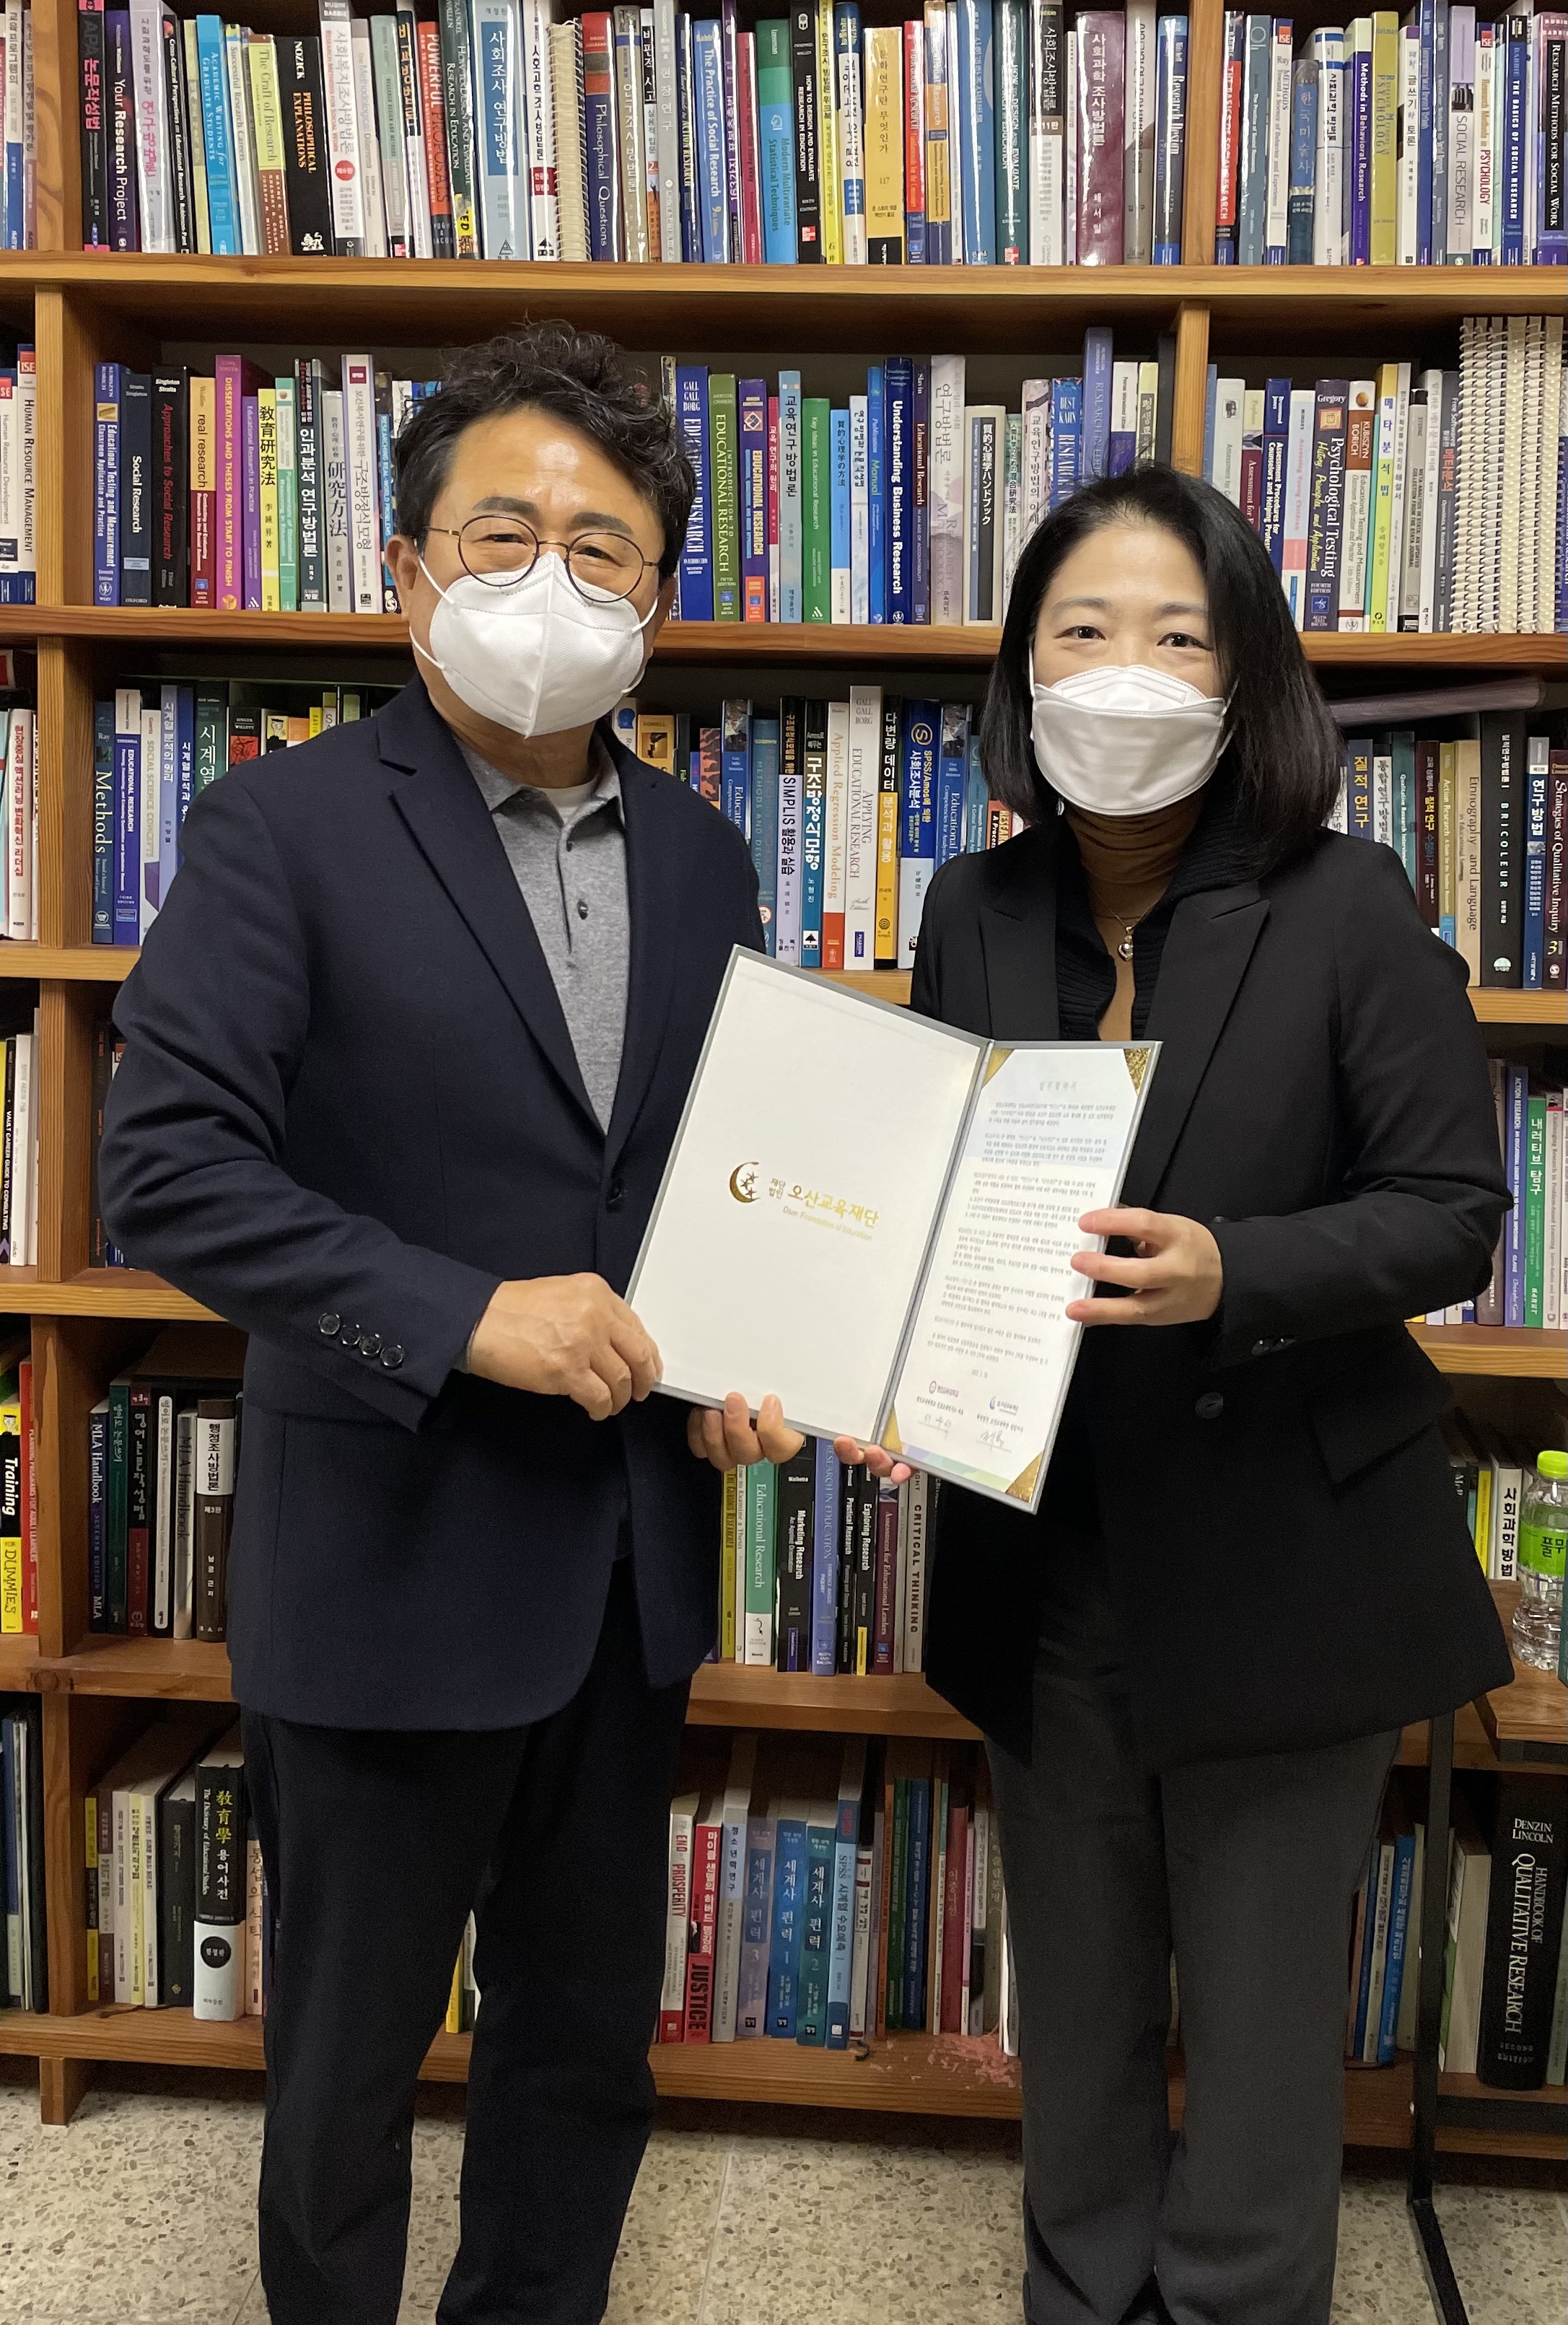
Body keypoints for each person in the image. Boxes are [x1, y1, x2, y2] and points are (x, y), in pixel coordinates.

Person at [97, 323, 794, 2325]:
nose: (551, 581)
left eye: (604, 548)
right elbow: (168, 1173)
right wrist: (465, 1315)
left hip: (623, 1573)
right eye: (505, 533)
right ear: (408, 568)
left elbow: (708, 1186)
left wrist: (747, 1363)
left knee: (582, 2052)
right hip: (387, 1563)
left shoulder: (707, 859)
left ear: (656, 603)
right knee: (346, 2072)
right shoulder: (282, 828)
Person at [873, 465, 1512, 2325]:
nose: (1126, 673)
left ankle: (1239, 2300)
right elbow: (931, 1195)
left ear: (1249, 681)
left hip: (1282, 1548)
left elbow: (1448, 1211)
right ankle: (1082, 2290)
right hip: (1045, 1549)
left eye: (1178, 636)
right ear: (1024, 669)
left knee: (1255, 2022)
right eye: (1083, 632)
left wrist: (1240, 1270)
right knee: (1075, 2000)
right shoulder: (973, 907)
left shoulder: (1349, 902)